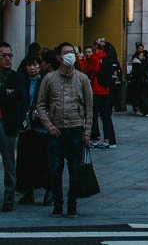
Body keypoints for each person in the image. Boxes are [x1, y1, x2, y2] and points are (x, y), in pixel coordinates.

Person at [36, 41, 93, 217]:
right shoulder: (49, 78)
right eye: (67, 52)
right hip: (56, 129)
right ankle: (57, 204)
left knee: (75, 169)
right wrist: (49, 125)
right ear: (59, 57)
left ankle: (72, 204)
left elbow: (90, 107)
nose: (71, 55)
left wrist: (87, 131)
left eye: (73, 53)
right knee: (55, 168)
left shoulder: (82, 78)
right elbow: (40, 104)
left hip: (76, 128)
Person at [16, 57, 51, 206]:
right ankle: (28, 192)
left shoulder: (45, 82)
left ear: (40, 66)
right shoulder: (22, 82)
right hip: (26, 127)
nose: (32, 68)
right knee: (26, 161)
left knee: (43, 160)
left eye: (35, 65)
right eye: (29, 66)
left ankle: (48, 190)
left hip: (41, 126)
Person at [0, 41, 26, 212]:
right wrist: (6, 94)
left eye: (10, 55)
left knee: (9, 162)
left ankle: (9, 197)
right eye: (4, 56)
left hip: (8, 124)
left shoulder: (17, 77)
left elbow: (19, 98)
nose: (8, 59)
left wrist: (7, 94)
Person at [91, 44, 120, 149]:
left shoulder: (97, 58)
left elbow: (91, 69)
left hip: (97, 90)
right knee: (106, 116)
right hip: (109, 91)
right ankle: (110, 140)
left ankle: (95, 138)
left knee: (93, 115)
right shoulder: (114, 60)